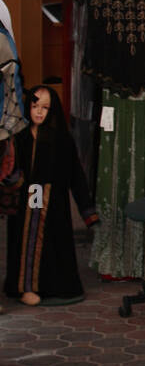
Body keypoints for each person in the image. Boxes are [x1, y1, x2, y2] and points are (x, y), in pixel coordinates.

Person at [4, 85, 98, 306]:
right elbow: (10, 167)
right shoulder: (20, 136)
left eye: (45, 107)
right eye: (35, 106)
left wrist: (88, 212)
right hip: (26, 199)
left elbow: (75, 175)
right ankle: (25, 288)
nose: (39, 112)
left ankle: (48, 287)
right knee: (24, 241)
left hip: (53, 202)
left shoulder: (61, 139)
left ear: (52, 110)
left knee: (52, 245)